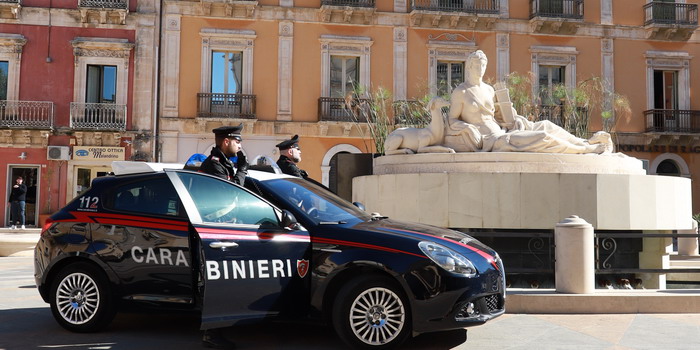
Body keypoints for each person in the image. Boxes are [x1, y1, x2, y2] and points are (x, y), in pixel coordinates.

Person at [446, 50, 612, 154]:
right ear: (468, 67)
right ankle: (584, 150)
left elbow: (498, 115)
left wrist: (513, 117)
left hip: (504, 129)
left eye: (483, 66)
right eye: (476, 65)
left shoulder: (489, 89)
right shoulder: (461, 92)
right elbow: (452, 120)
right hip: (491, 139)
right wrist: (467, 128)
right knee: (542, 137)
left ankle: (585, 142)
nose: (480, 69)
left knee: (547, 124)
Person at [198, 125, 246, 349]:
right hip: (214, 235)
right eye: (237, 141)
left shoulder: (222, 164)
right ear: (226, 141)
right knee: (216, 285)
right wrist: (243, 170)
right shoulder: (214, 165)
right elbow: (233, 193)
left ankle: (219, 329)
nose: (240, 145)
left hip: (222, 233)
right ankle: (211, 334)